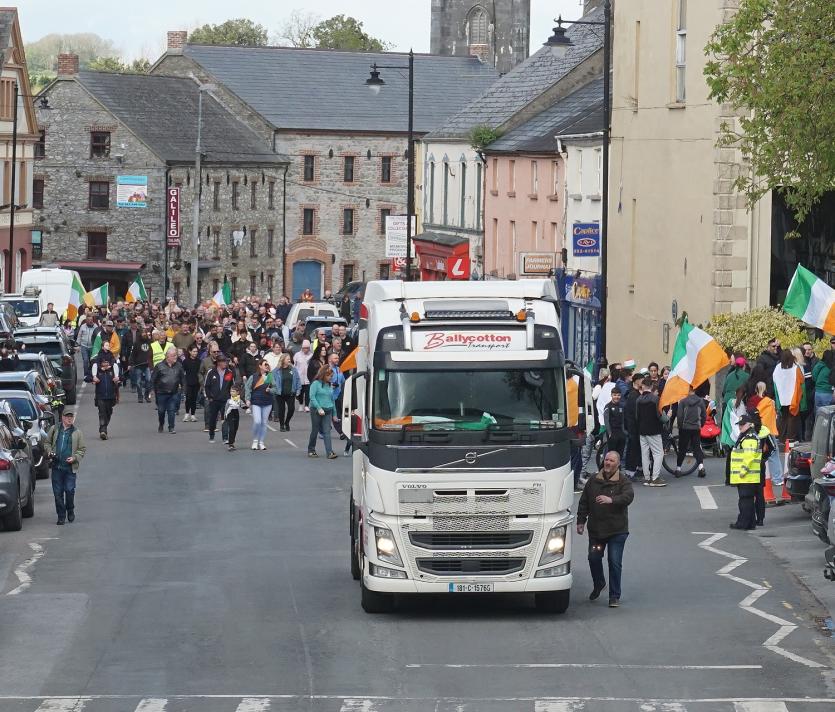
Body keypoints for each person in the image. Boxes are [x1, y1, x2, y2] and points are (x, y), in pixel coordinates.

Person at [576, 451, 634, 608]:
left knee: (614, 562)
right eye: (606, 459)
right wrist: (581, 521)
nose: (608, 462)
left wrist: (611, 500)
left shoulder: (623, 481)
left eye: (611, 460)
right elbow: (584, 502)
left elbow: (628, 497)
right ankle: (599, 583)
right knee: (593, 558)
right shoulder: (593, 480)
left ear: (618, 464)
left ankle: (614, 596)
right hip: (597, 532)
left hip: (617, 531)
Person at [729, 413, 771, 530]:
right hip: (748, 475)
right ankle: (750, 523)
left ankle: (743, 523)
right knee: (747, 499)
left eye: (742, 424)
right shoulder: (747, 435)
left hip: (747, 475)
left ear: (749, 424)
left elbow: (749, 456)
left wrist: (743, 470)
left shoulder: (749, 437)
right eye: (739, 424)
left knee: (745, 500)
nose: (740, 427)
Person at [46, 410, 86, 525]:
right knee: (57, 493)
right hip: (56, 467)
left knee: (69, 490)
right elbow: (47, 443)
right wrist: (49, 452)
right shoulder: (54, 429)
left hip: (70, 468)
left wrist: (74, 458)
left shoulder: (77, 433)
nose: (69, 419)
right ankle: (61, 516)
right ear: (62, 417)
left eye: (71, 417)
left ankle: (70, 509)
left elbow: (82, 449)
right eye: (67, 416)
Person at [637, 378, 666, 486]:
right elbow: (659, 416)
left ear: (643, 386)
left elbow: (637, 416)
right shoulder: (656, 399)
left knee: (644, 454)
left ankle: (647, 478)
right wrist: (667, 417)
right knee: (658, 453)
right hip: (654, 430)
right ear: (652, 386)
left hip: (642, 430)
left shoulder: (638, 399)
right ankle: (655, 478)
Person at [151, 346, 185, 434]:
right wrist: (152, 390)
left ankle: (171, 427)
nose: (175, 357)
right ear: (167, 356)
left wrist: (184, 389)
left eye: (176, 355)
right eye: (173, 355)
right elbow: (153, 379)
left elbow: (183, 379)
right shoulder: (159, 366)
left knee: (172, 410)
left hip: (173, 392)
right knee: (161, 411)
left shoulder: (179, 366)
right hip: (161, 393)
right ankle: (161, 423)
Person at [773, 349, 804, 442]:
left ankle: (782, 439)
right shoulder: (795, 368)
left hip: (782, 398)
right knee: (792, 419)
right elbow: (801, 380)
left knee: (783, 419)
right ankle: (790, 439)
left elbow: (774, 380)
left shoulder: (778, 367)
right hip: (793, 398)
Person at [675, 386, 707, 477]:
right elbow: (704, 415)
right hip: (696, 427)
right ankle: (701, 467)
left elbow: (680, 416)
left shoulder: (683, 401)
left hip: (685, 428)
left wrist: (680, 426)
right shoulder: (700, 401)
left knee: (682, 448)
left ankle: (678, 469)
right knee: (697, 448)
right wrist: (701, 424)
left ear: (688, 390)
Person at [308, 364, 338, 459]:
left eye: (331, 376)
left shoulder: (329, 385)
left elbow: (332, 399)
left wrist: (334, 414)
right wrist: (319, 408)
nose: (331, 378)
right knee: (315, 430)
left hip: (328, 410)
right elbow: (312, 397)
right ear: (323, 375)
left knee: (327, 431)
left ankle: (329, 452)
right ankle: (311, 450)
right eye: (329, 376)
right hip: (316, 410)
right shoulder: (315, 384)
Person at [91, 341, 120, 440]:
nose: (106, 364)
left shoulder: (113, 368)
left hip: (111, 395)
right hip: (100, 396)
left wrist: (118, 379)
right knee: (102, 413)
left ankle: (103, 427)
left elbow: (122, 377)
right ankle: (103, 431)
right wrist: (93, 378)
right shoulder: (96, 367)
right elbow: (87, 377)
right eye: (104, 362)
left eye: (107, 362)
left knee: (108, 413)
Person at [245, 359, 275, 451]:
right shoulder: (253, 376)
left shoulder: (270, 376)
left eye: (267, 364)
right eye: (265, 364)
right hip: (256, 402)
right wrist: (247, 399)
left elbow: (276, 388)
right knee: (257, 421)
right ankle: (255, 440)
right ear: (260, 366)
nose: (267, 366)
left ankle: (261, 442)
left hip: (267, 402)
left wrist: (270, 390)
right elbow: (248, 387)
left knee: (264, 423)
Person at [204, 353, 234, 444]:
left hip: (225, 399)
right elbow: (207, 386)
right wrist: (209, 397)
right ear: (218, 363)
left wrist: (232, 398)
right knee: (213, 418)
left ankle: (225, 437)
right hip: (214, 400)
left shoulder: (229, 372)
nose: (226, 363)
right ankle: (211, 434)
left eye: (226, 362)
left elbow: (232, 386)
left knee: (225, 418)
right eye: (224, 362)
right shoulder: (211, 372)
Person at [622, 373, 643, 479]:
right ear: (636, 381)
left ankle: (637, 469)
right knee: (632, 449)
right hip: (633, 427)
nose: (643, 382)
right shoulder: (633, 395)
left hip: (635, 427)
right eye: (641, 380)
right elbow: (633, 413)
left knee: (636, 449)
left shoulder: (636, 393)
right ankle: (630, 472)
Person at [273, 353, 300, 432]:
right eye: (287, 359)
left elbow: (298, 379)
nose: (289, 360)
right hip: (280, 393)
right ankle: (282, 425)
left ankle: (287, 422)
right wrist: (273, 389)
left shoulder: (293, 369)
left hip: (291, 393)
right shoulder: (276, 370)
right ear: (283, 360)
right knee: (281, 410)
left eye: (289, 359)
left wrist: (298, 389)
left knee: (291, 409)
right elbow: (272, 380)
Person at [129, 326, 153, 402]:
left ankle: (147, 395)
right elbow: (133, 354)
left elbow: (153, 353)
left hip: (147, 365)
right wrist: (131, 364)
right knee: (138, 382)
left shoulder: (150, 342)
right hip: (138, 365)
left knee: (148, 380)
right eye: (142, 333)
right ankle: (140, 396)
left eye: (145, 332)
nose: (144, 334)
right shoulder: (136, 343)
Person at [603, 388, 626, 458]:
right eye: (615, 395)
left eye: (618, 395)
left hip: (621, 433)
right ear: (611, 395)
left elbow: (623, 420)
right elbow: (606, 421)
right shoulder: (608, 406)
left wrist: (624, 432)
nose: (617, 397)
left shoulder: (622, 406)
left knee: (620, 454)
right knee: (611, 454)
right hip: (612, 433)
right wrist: (609, 433)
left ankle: (618, 464)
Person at [182, 344, 202, 422]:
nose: (195, 353)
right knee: (188, 398)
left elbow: (201, 372)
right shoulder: (185, 361)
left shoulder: (199, 361)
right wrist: (182, 382)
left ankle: (193, 415)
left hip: (196, 382)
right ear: (190, 352)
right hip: (188, 382)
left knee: (194, 399)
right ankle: (187, 414)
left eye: (196, 351)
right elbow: (182, 372)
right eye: (194, 351)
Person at [76, 313, 97, 382]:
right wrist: (77, 345)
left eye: (91, 320)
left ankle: (91, 375)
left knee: (92, 361)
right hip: (84, 346)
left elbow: (98, 337)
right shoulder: (83, 326)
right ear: (86, 320)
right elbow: (79, 336)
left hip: (92, 347)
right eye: (88, 320)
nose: (90, 321)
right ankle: (85, 375)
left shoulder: (95, 327)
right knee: (85, 360)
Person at [294, 339, 313, 412]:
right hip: (300, 377)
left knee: (308, 392)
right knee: (300, 393)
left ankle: (307, 406)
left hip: (308, 377)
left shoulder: (311, 355)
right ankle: (301, 404)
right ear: (302, 348)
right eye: (304, 348)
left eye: (307, 348)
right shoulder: (297, 355)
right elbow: (295, 366)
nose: (306, 349)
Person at [224, 386, 243, 451]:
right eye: (231, 391)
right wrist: (224, 417)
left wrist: (247, 409)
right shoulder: (229, 400)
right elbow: (225, 408)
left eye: (233, 391)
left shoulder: (239, 399)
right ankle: (231, 444)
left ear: (237, 392)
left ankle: (232, 440)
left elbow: (242, 405)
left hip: (236, 413)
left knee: (235, 428)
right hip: (230, 414)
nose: (232, 393)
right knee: (231, 428)